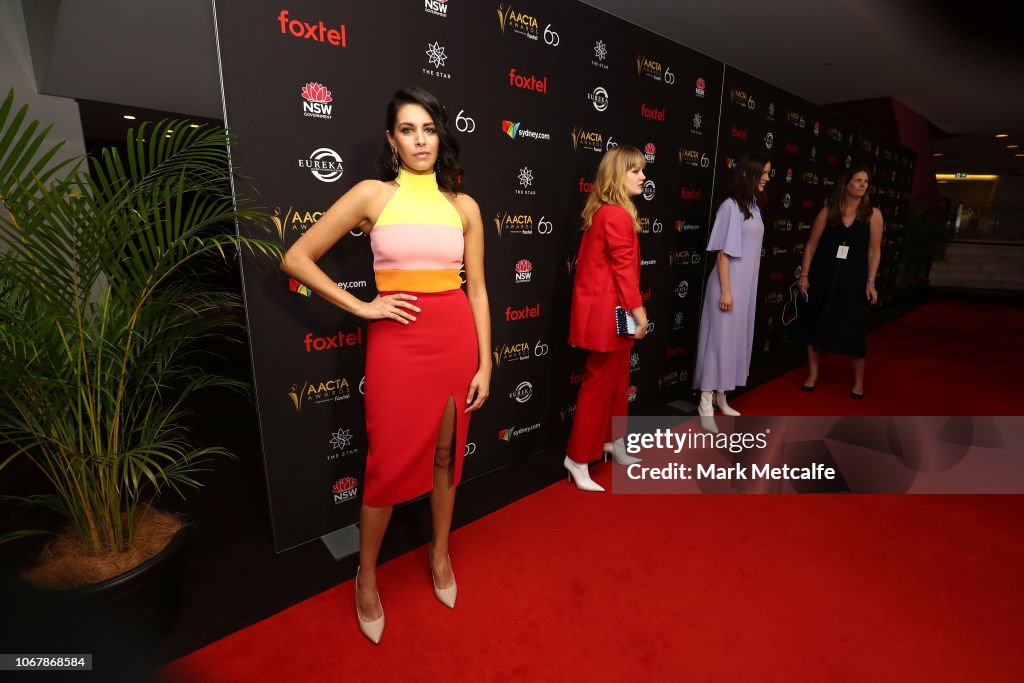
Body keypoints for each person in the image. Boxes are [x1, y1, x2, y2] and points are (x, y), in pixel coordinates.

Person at [280, 87, 491, 644]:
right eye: (407, 129)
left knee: (447, 455)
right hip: (396, 342)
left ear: (440, 134)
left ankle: (440, 555)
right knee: (387, 466)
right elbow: (295, 257)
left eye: (428, 128)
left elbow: (479, 291)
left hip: (454, 340)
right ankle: (366, 577)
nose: (420, 140)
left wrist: (486, 363)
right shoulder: (373, 195)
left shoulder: (463, 206)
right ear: (392, 139)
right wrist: (364, 307)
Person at [564, 146, 650, 492]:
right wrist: (639, 312)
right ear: (617, 175)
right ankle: (577, 457)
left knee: (618, 378)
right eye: (635, 171)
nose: (643, 177)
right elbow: (623, 272)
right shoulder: (614, 215)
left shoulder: (610, 211)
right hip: (608, 312)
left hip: (615, 311)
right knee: (599, 384)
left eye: (643, 170)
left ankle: (612, 442)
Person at [693, 152, 771, 433]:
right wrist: (726, 291)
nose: (767, 178)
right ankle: (705, 403)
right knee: (718, 342)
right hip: (727, 286)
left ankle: (721, 397)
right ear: (749, 174)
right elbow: (723, 254)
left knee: (733, 342)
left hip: (744, 287)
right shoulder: (729, 207)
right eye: (764, 172)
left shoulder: (754, 206)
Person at [797, 163, 883, 399]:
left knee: (855, 332)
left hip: (855, 283)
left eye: (866, 181)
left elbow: (875, 251)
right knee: (817, 327)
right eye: (858, 180)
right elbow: (811, 246)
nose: (863, 185)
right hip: (824, 279)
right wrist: (804, 275)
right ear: (846, 184)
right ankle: (813, 375)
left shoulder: (873, 215)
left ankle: (858, 383)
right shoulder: (828, 212)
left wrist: (871, 281)